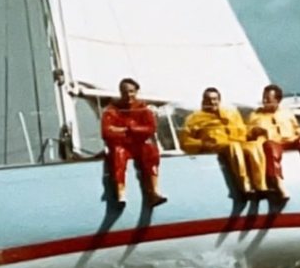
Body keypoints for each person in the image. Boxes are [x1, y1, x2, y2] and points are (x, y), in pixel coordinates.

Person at [179, 87, 258, 198]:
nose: (212, 102)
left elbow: (242, 132)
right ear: (203, 101)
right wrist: (202, 144)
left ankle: (261, 186)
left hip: (237, 144)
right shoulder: (193, 118)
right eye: (209, 99)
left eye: (215, 99)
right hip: (215, 147)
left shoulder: (232, 114)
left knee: (254, 147)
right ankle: (244, 185)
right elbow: (184, 142)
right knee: (233, 147)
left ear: (219, 100)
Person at [101, 78, 167, 207]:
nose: (128, 95)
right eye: (125, 92)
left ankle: (155, 191)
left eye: (131, 91)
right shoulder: (111, 109)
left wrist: (129, 129)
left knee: (151, 150)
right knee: (117, 155)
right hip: (122, 145)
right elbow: (106, 132)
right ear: (120, 92)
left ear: (136, 91)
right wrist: (130, 131)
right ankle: (121, 193)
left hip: (139, 144)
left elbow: (151, 128)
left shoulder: (143, 108)